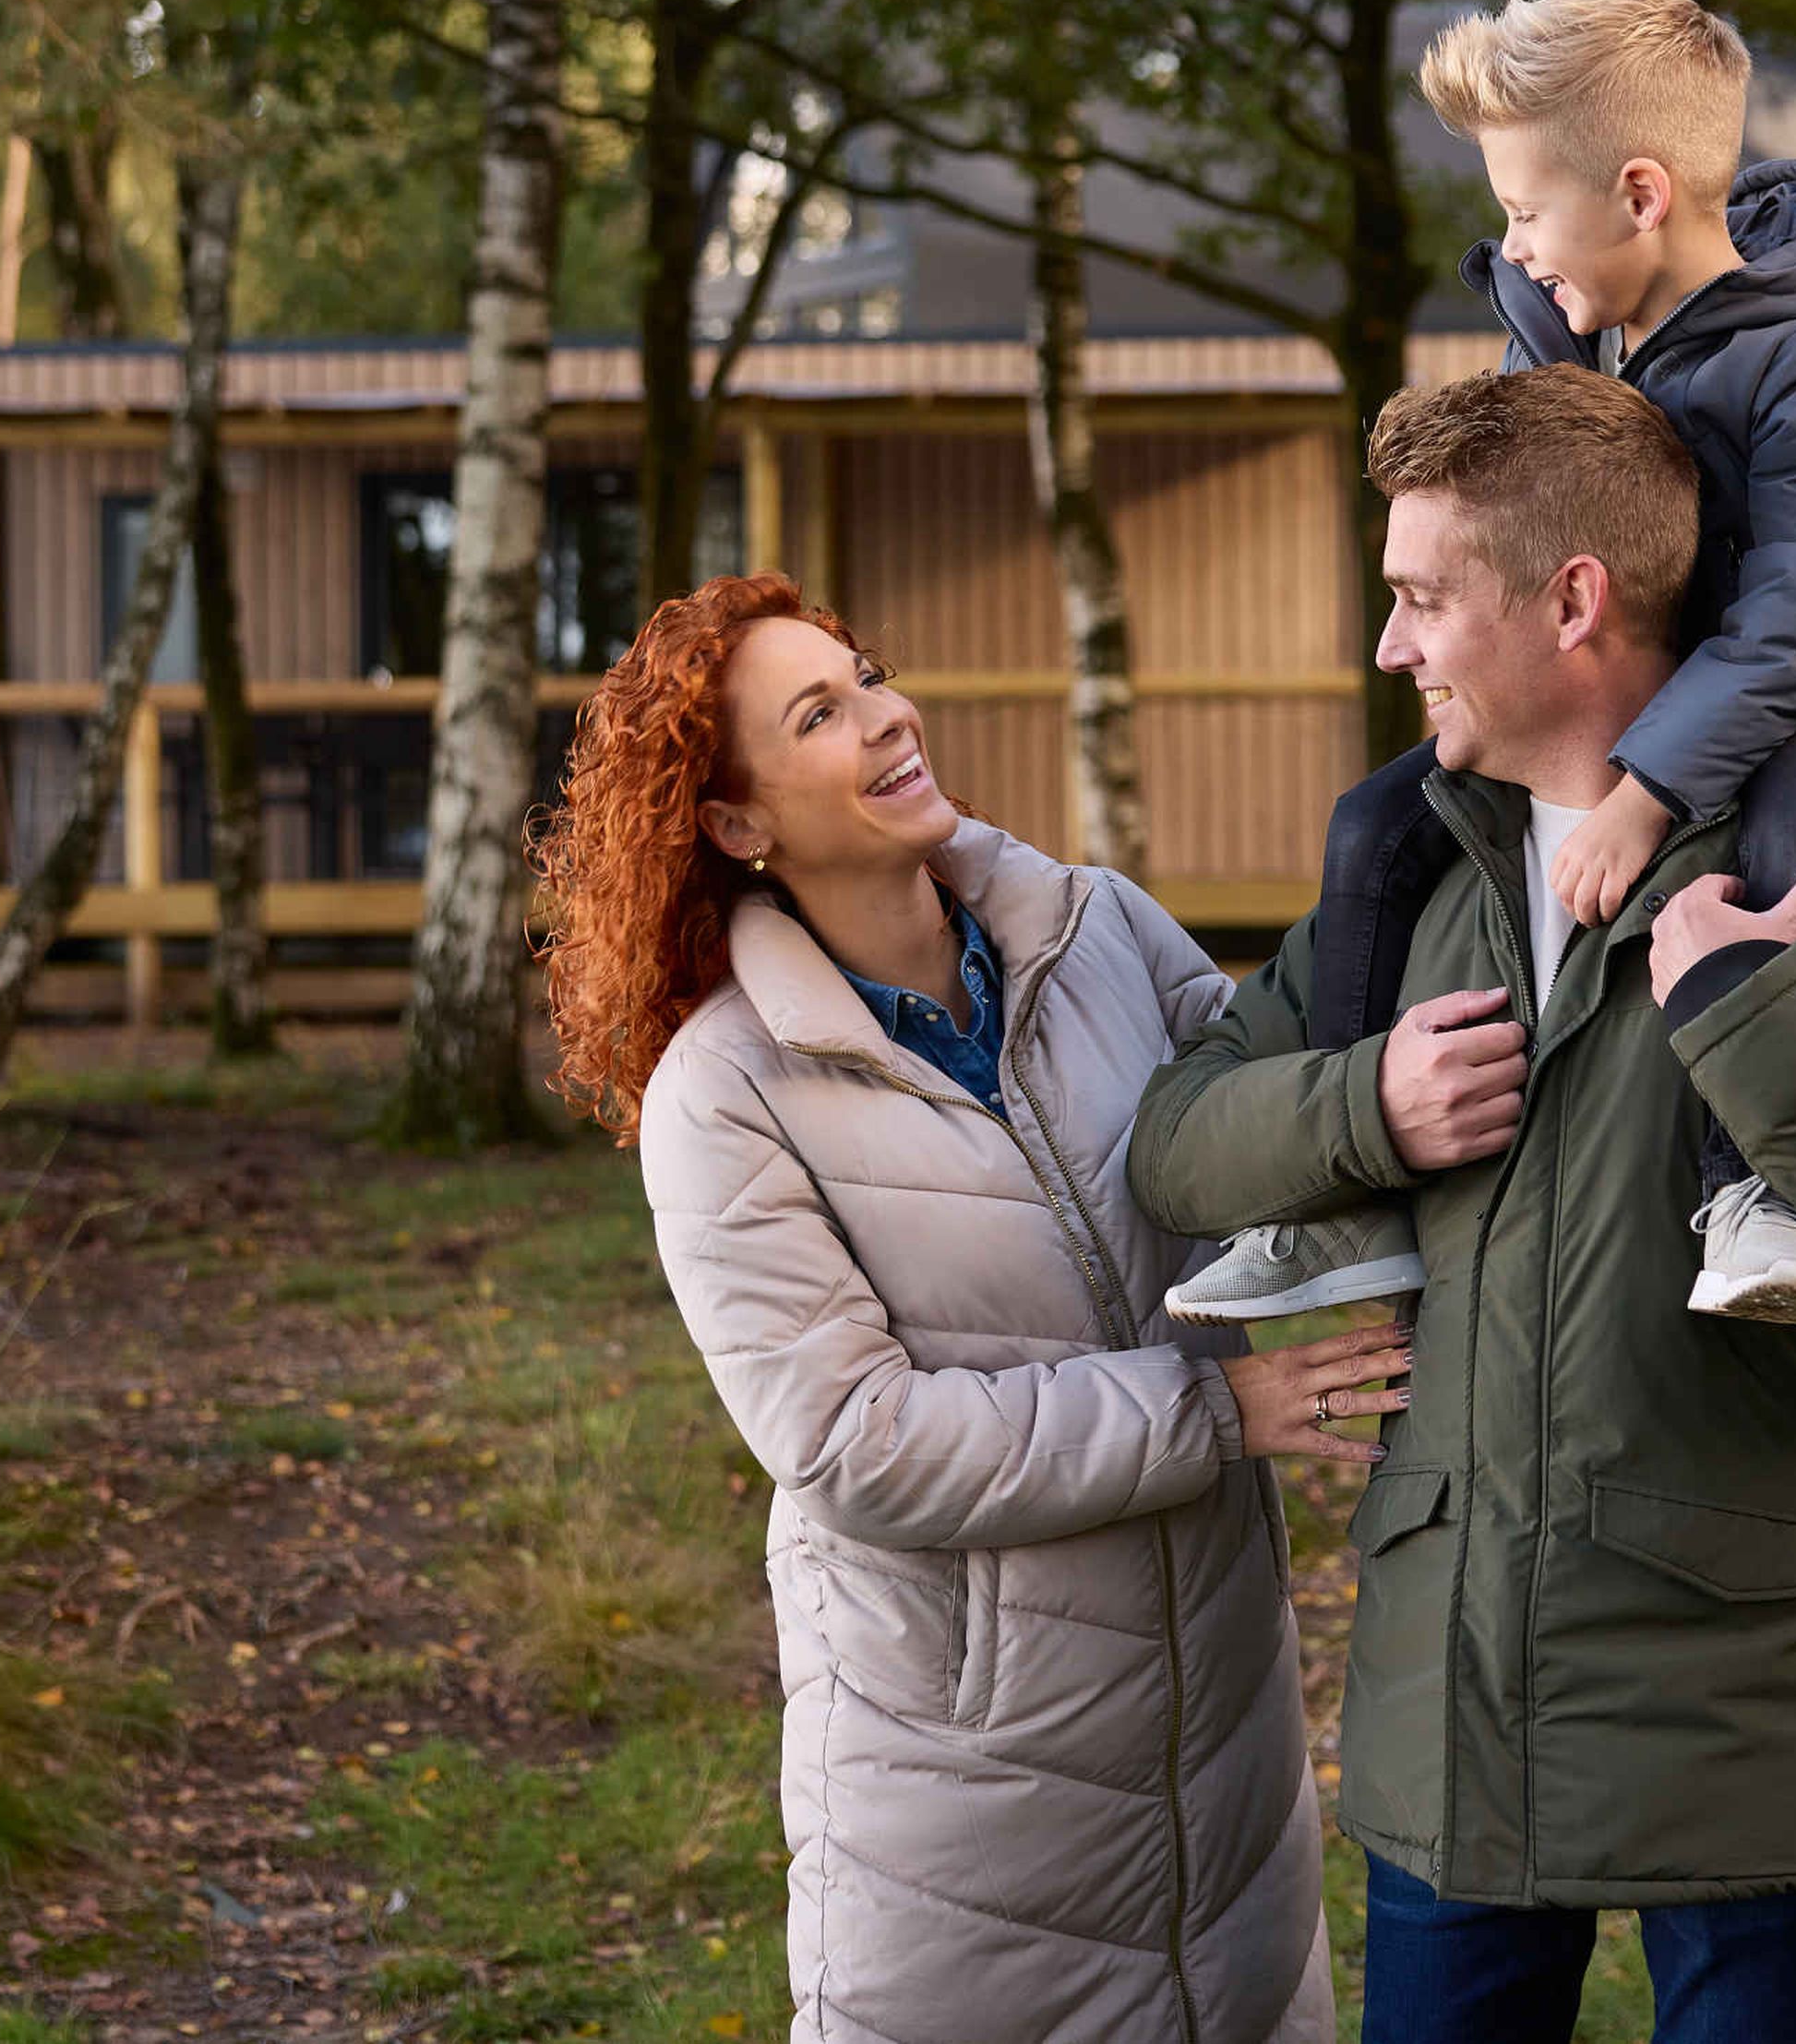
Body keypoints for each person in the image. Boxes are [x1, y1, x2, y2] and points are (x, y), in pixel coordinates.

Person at [1130, 368, 1796, 2044]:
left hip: (1745, 1717)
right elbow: (1179, 1146)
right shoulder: (1406, 875)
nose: (1389, 647)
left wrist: (1757, 1024)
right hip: (1454, 1717)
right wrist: (1371, 1107)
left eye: (1422, 597)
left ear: (1572, 602)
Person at [537, 573, 1395, 2044]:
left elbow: (1272, 1134)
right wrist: (1218, 1406)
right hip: (966, 1810)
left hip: (1227, 1754)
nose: (888, 719)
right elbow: (854, 1440)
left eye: (870, 676)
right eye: (822, 715)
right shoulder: (728, 1094)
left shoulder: (1098, 931)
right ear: (739, 825)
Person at [1161, 0, 1796, 1333]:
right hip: (1649, 689)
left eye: (1526, 213)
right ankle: (1348, 1200)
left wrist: (1645, 794)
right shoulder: (1600, 324)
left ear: (1641, 195)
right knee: (1371, 828)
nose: (1514, 248)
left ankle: (1763, 1191)